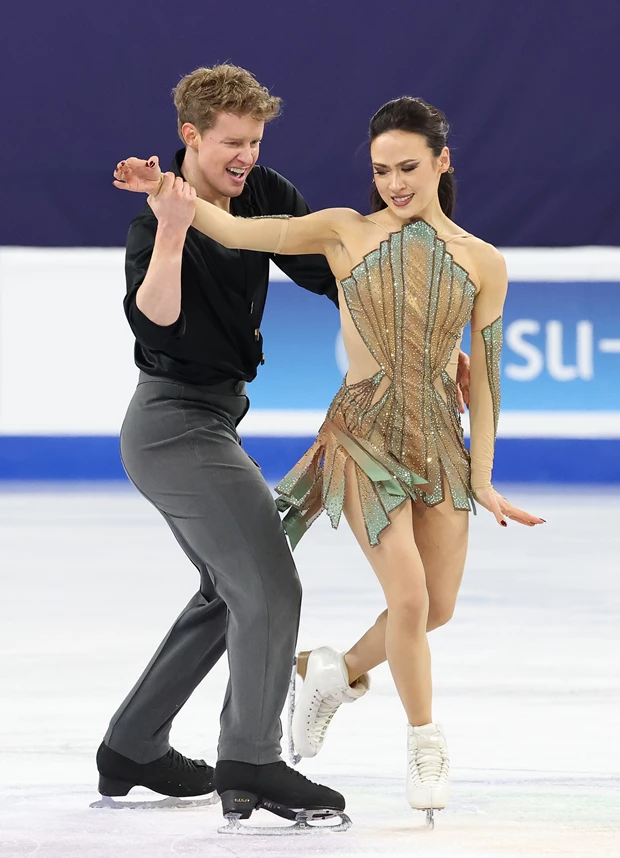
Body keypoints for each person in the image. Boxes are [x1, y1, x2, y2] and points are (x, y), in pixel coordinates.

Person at [113, 95, 540, 824]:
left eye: (408, 168)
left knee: (426, 608)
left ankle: (317, 677)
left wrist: (480, 469)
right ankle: (396, 746)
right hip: (324, 435)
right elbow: (225, 241)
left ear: (442, 162)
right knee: (364, 596)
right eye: (381, 171)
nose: (394, 183)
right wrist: (168, 198)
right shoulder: (334, 229)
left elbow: (483, 374)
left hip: (424, 439)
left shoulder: (478, 259)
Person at [98, 63, 353, 830]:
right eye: (232, 143)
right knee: (269, 586)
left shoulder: (264, 191)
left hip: (212, 421)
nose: (247, 157)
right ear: (191, 135)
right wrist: (174, 227)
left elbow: (330, 273)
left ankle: (133, 746)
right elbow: (155, 319)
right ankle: (251, 758)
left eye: (256, 142)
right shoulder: (155, 222)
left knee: (228, 592)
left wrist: (417, 335)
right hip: (172, 425)